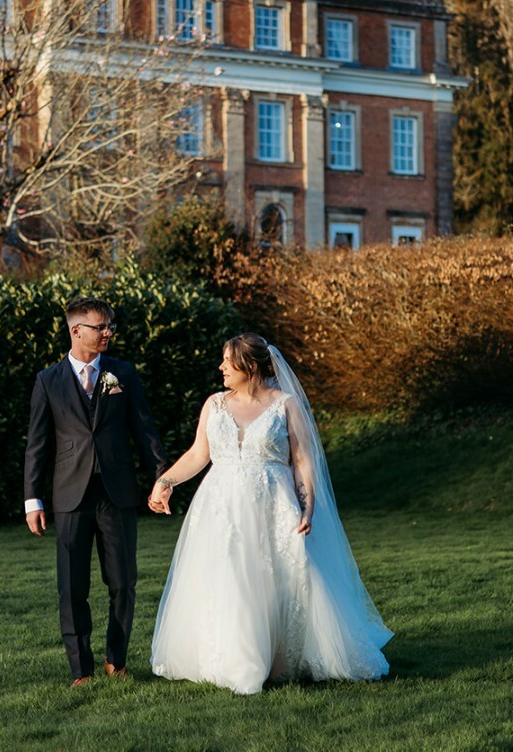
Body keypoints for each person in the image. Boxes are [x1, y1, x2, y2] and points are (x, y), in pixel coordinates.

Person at [148, 333, 392, 695]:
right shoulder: (214, 404)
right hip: (222, 507)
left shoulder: (285, 404)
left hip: (273, 504)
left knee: (282, 578)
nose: (221, 368)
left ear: (249, 366)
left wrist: (307, 505)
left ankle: (282, 658)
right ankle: (235, 660)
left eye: (228, 362)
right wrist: (165, 481)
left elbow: (302, 460)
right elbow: (199, 454)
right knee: (228, 577)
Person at [24, 296, 167, 687]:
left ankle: (115, 660)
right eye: (100, 327)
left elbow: (144, 429)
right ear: (76, 331)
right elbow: (37, 444)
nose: (108, 333)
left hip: (116, 492)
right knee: (72, 587)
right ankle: (80, 669)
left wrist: (162, 477)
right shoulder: (47, 380)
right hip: (69, 495)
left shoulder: (124, 373)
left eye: (110, 326)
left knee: (123, 581)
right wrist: (32, 499)